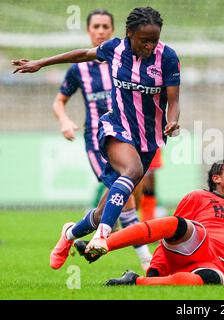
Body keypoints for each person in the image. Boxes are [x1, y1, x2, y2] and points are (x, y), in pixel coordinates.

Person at [12, 6, 180, 270]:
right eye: (143, 40)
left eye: (154, 40)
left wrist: (173, 120)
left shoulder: (167, 57)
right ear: (129, 34)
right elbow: (80, 55)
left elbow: (174, 99)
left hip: (148, 138)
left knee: (109, 206)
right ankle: (108, 238)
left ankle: (69, 234)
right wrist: (41, 63)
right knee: (132, 174)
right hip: (113, 128)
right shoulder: (115, 50)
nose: (149, 46)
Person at [53, 9, 152, 271]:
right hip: (100, 143)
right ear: (88, 31)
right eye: (95, 26)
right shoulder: (79, 70)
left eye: (105, 26)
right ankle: (148, 262)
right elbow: (59, 102)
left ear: (113, 30)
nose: (100, 31)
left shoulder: (125, 60)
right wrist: (64, 120)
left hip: (129, 138)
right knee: (127, 199)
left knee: (109, 209)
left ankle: (71, 233)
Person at [83, 159, 224, 286]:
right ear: (216, 178)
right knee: (178, 224)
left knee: (214, 279)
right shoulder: (199, 197)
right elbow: (168, 231)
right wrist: (155, 267)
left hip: (210, 264)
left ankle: (135, 281)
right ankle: (104, 243)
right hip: (200, 243)